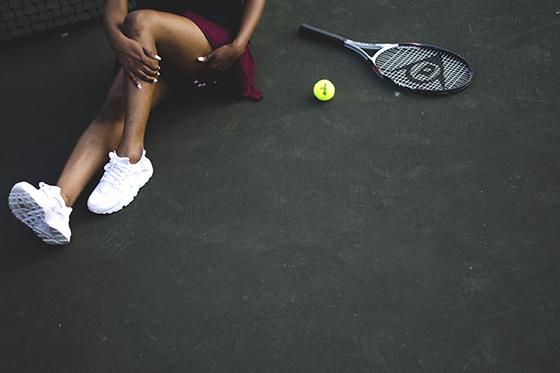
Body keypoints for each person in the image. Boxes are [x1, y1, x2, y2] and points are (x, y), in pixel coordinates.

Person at [8, 0, 266, 245]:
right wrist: (119, 42)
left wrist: (239, 45)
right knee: (115, 107)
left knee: (140, 20)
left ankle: (131, 157)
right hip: (149, 49)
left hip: (208, 45)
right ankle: (59, 202)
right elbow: (115, 9)